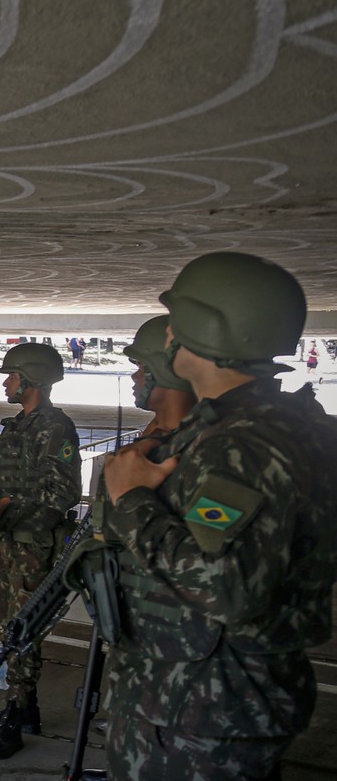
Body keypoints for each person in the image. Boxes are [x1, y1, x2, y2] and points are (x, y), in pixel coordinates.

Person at [101, 252, 337, 781]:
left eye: (175, 319)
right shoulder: (274, 426)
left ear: (200, 330)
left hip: (201, 711)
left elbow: (226, 588)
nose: (168, 334)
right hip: (216, 701)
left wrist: (131, 498)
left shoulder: (242, 446)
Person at [0, 342, 82, 760]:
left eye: (12, 376)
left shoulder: (55, 428)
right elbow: (13, 473)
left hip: (34, 543)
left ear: (31, 380)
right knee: (13, 624)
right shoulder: (18, 425)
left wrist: (12, 503)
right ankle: (25, 707)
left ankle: (15, 718)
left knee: (22, 628)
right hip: (13, 542)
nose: (5, 383)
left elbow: (64, 491)